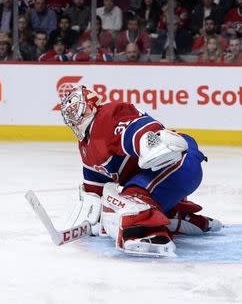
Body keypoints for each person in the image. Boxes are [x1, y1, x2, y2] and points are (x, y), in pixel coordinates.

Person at [59, 85, 222, 256]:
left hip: (178, 162)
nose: (72, 116)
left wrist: (149, 142)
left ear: (90, 105)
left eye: (75, 108)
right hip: (162, 178)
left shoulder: (106, 116)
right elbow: (95, 187)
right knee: (114, 200)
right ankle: (175, 217)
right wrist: (92, 217)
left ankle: (153, 234)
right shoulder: (86, 145)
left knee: (127, 200)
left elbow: (134, 129)